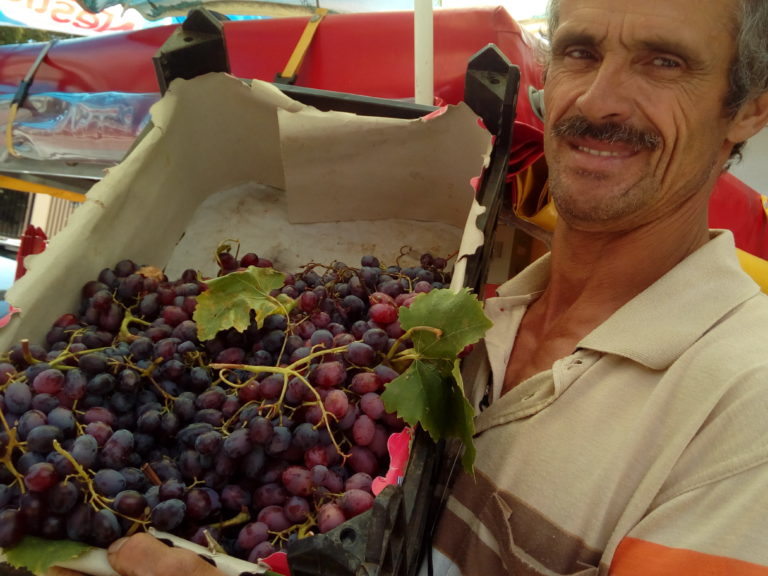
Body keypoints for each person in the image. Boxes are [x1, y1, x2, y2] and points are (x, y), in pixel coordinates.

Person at [48, 0, 768, 574]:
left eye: (664, 62)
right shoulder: (469, 314)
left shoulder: (746, 408)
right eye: (581, 51)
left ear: (750, 106)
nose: (601, 100)